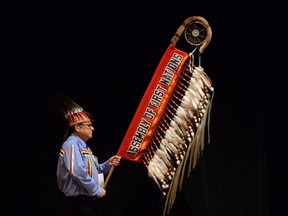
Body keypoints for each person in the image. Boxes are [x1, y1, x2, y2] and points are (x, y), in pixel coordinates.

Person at [50, 92, 121, 216]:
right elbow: (77, 171)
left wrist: (107, 164)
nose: (92, 128)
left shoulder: (84, 147)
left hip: (87, 201)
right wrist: (95, 190)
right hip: (77, 204)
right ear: (77, 127)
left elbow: (94, 170)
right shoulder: (71, 144)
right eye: (89, 125)